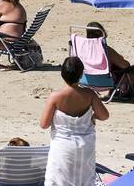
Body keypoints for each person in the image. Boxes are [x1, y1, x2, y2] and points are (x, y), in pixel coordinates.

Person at [40, 57, 108, 185]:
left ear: (62, 74)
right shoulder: (89, 94)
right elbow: (104, 115)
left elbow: (44, 124)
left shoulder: (56, 96)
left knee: (59, 179)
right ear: (81, 74)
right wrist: (94, 117)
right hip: (85, 145)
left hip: (62, 146)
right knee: (83, 179)